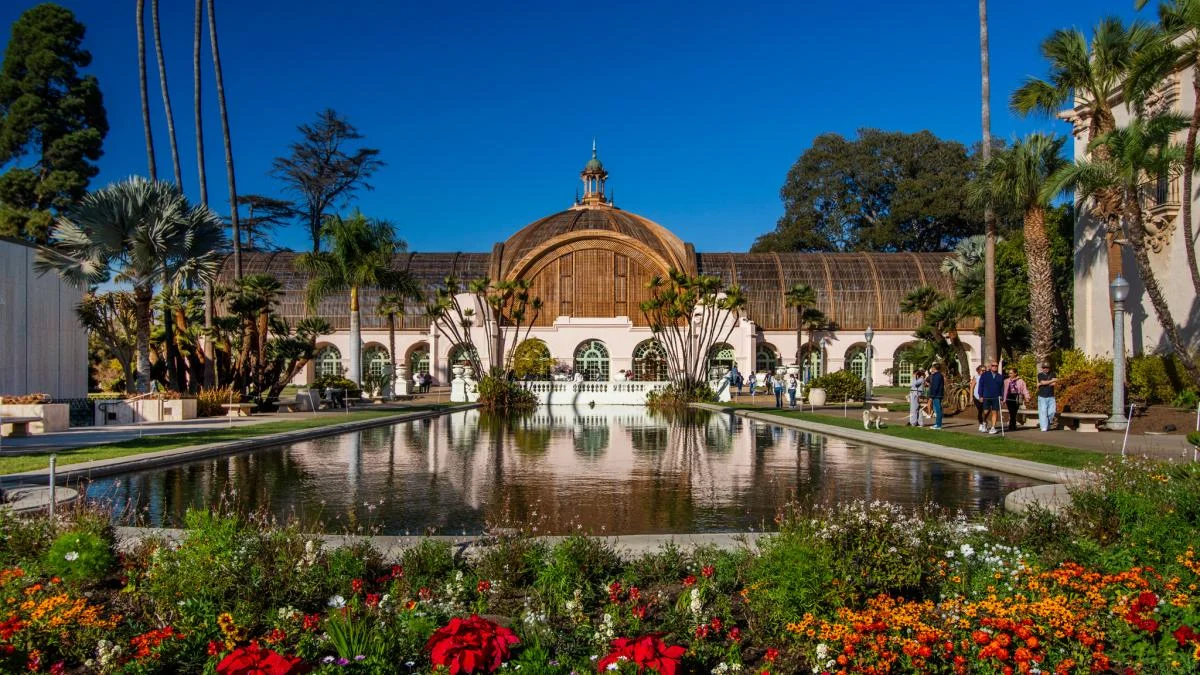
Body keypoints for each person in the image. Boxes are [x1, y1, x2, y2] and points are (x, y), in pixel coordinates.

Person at [978, 361, 1005, 434]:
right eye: (993, 365)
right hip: (986, 396)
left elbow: (1002, 388)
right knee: (986, 411)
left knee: (995, 412)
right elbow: (981, 385)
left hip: (996, 397)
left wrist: (1002, 398)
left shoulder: (1000, 376)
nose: (995, 367)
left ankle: (993, 427)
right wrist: (980, 395)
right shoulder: (985, 375)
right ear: (990, 366)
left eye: (996, 366)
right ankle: (984, 422)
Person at [1036, 362, 1058, 431]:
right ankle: (1044, 427)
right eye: (1044, 368)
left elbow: (1054, 383)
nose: (1045, 369)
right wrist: (1051, 381)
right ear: (1042, 368)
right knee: (1043, 412)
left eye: (1047, 367)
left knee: (1052, 412)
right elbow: (1042, 382)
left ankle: (1047, 424)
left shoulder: (1053, 374)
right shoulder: (1040, 375)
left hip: (1051, 396)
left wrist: (1044, 383)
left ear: (1049, 368)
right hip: (1042, 396)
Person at [926, 363, 945, 430]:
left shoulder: (937, 376)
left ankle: (938, 424)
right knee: (937, 409)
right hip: (938, 394)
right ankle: (937, 424)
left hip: (936, 395)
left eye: (932, 367)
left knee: (938, 409)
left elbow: (935, 387)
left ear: (934, 368)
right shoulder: (939, 375)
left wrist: (932, 395)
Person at [971, 365, 986, 431]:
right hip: (977, 397)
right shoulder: (976, 377)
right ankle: (981, 423)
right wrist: (971, 397)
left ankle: (984, 423)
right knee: (980, 411)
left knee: (985, 411)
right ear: (979, 371)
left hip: (985, 397)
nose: (984, 371)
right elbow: (972, 387)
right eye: (983, 370)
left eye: (985, 370)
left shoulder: (987, 378)